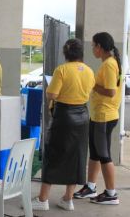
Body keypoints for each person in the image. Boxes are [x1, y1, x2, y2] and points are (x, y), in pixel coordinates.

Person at [31, 39, 95, 211]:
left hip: (64, 116)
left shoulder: (62, 70)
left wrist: (50, 90)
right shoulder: (89, 71)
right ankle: (68, 199)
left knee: (53, 154)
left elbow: (52, 94)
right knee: (76, 156)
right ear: (81, 53)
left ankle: (43, 199)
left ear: (65, 53)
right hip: (82, 116)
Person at [74, 32, 122, 205]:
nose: (92, 49)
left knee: (104, 155)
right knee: (94, 153)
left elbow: (110, 91)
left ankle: (111, 194)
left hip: (104, 116)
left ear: (100, 47)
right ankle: (91, 187)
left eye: (93, 45)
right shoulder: (108, 62)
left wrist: (93, 84)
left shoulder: (109, 64)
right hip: (98, 115)